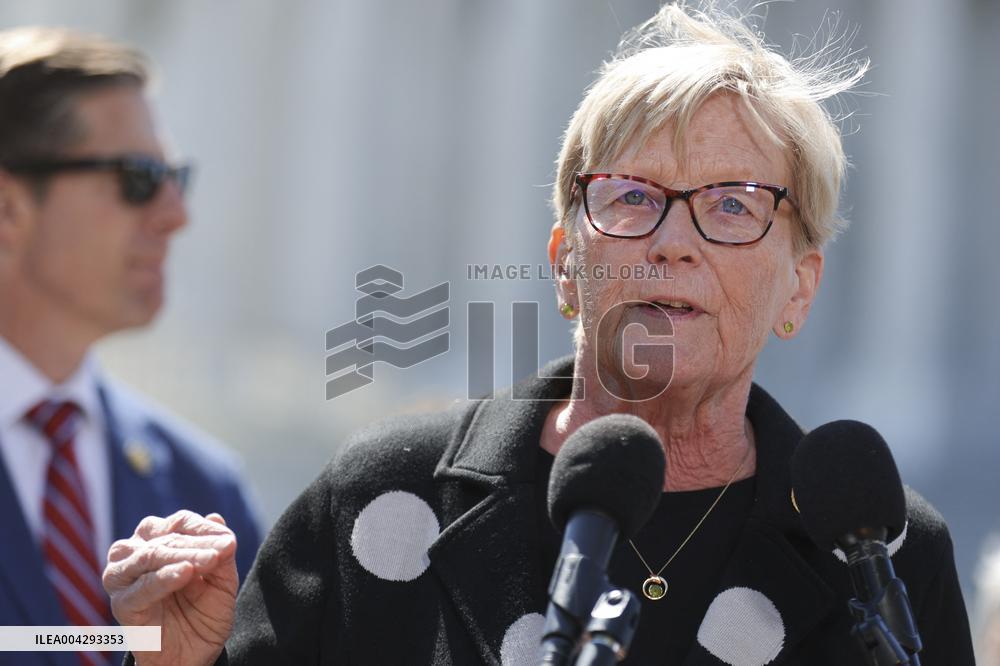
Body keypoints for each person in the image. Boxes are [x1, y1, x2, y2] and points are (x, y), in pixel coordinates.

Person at [103, 3, 975, 665]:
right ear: (566, 263)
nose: (673, 241)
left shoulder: (886, 554)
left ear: (801, 286)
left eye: (733, 206)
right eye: (632, 197)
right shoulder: (379, 499)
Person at [0, 27, 262, 666]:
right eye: (139, 178)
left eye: (177, 177)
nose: (176, 214)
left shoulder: (205, 491)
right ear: (8, 207)